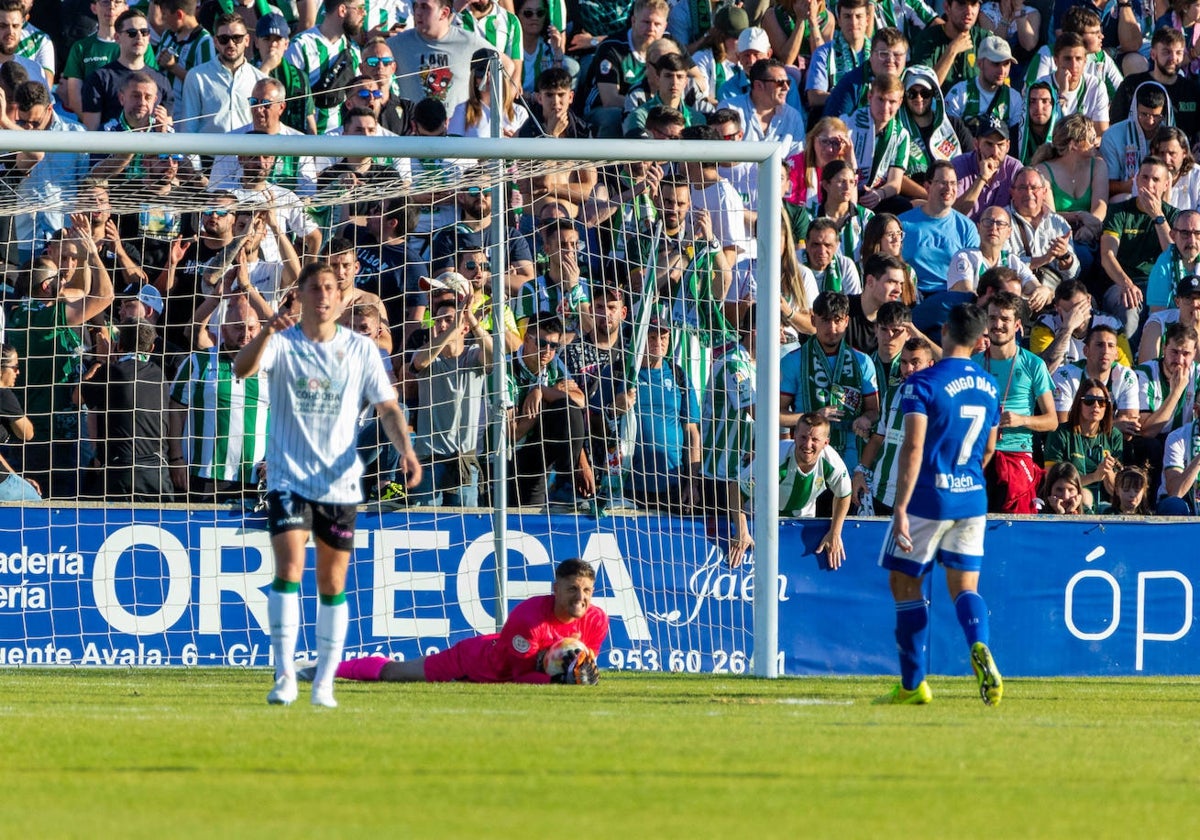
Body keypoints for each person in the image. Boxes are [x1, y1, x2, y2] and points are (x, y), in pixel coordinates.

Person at [233, 261, 422, 709]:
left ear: (342, 297)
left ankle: (323, 684)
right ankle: (283, 677)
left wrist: (406, 450)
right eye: (314, 288)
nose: (322, 296)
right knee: (289, 569)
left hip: (338, 483)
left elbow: (388, 407)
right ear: (299, 295)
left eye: (330, 289)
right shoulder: (282, 342)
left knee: (332, 582)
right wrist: (264, 333)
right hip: (287, 476)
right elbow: (241, 369)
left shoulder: (361, 350)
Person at [877, 302, 1003, 706]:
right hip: (972, 496)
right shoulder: (989, 385)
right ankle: (979, 644)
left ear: (945, 331)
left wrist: (900, 506)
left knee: (904, 582)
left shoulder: (922, 384)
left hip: (930, 497)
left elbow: (913, 447)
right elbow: (990, 447)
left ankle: (913, 686)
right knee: (965, 587)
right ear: (981, 340)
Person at [298, 558, 608, 685]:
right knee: (395, 673)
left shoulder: (597, 620)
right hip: (474, 662)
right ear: (554, 589)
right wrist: (558, 680)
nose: (580, 597)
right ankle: (322, 668)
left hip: (507, 666)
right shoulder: (528, 621)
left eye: (586, 590)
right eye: (571, 589)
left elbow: (584, 659)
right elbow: (518, 676)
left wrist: (580, 672)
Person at [974, 290, 1058, 513]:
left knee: (1013, 523)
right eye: (992, 318)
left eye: (1005, 319)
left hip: (1016, 454)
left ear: (1018, 325)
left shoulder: (1033, 364)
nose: (998, 324)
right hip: (978, 454)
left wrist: (1021, 419)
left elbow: (1052, 421)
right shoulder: (973, 364)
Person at [742, 413, 851, 568]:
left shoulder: (832, 463)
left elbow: (844, 494)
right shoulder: (774, 458)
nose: (807, 445)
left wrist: (835, 532)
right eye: (803, 437)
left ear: (826, 443)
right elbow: (736, 489)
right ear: (794, 436)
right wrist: (741, 531)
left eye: (815, 440)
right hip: (757, 519)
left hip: (800, 521)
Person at [853, 335, 936, 515]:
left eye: (915, 362)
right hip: (882, 493)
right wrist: (861, 471)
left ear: (930, 365)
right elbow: (878, 439)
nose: (908, 369)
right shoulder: (892, 394)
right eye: (904, 362)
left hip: (918, 498)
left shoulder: (940, 401)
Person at [1099, 155, 1180, 339]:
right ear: (1136, 179)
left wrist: (1157, 216)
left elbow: (1173, 255)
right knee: (1129, 306)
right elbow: (1107, 255)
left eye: (1156, 179)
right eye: (1144, 177)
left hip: (1160, 284)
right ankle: (1128, 364)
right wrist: (1126, 283)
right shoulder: (1119, 211)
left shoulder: (1173, 216)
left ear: (1166, 185)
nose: (1149, 184)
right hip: (1122, 282)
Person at [900, 159, 979, 299]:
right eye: (942, 182)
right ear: (927, 186)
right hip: (913, 296)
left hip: (953, 297)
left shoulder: (967, 227)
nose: (949, 188)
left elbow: (974, 271)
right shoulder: (903, 224)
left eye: (953, 183)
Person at [1044, 377, 1124, 511]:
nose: (1096, 406)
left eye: (1102, 402)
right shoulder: (1061, 433)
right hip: (1066, 499)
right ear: (1079, 404)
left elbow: (1116, 492)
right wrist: (1094, 477)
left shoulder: (1114, 435)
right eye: (1089, 401)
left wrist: (1107, 472)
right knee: (1086, 496)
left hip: (1104, 503)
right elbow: (1051, 479)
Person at [1101, 82, 1170, 202]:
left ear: (1163, 114)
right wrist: (1128, 186)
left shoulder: (1172, 139)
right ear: (1134, 109)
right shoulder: (1112, 136)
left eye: (1156, 116)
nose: (1150, 121)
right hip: (1127, 199)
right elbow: (1106, 184)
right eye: (1144, 114)